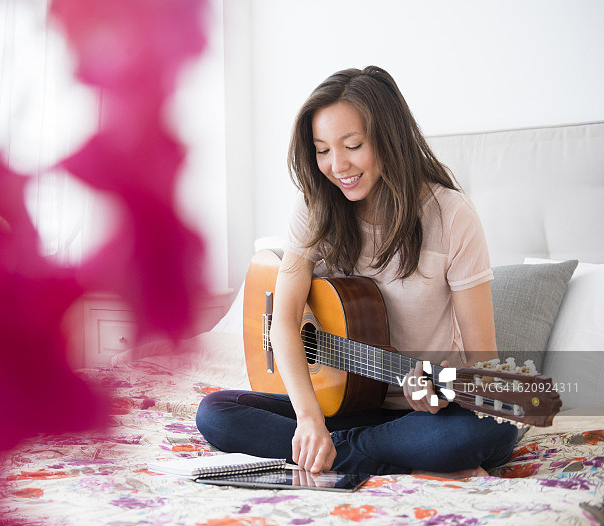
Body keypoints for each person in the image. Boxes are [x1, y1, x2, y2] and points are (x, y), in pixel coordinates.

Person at [196, 66, 518, 477]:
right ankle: (356, 450)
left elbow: (483, 367)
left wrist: (442, 391)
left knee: (488, 429)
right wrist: (310, 419)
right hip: (344, 408)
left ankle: (339, 453)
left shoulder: (452, 215)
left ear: (389, 138)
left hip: (428, 417)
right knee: (217, 412)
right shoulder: (317, 207)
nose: (337, 165)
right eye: (322, 150)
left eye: (352, 145)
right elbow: (285, 321)